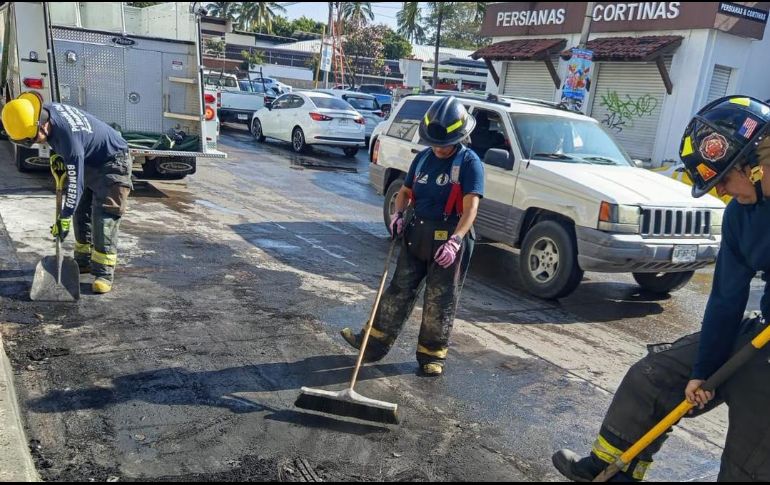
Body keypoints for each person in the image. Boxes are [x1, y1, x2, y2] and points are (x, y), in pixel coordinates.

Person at [552, 95, 770, 482]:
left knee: (748, 460)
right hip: (762, 328)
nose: (720, 194)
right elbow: (725, 299)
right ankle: (611, 470)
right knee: (652, 377)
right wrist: (702, 371)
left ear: (754, 164)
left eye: (723, 180)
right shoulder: (741, 215)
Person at [340, 96, 485, 376]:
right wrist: (397, 214)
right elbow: (406, 193)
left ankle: (432, 356)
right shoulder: (422, 159)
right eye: (435, 143)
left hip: (448, 239)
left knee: (439, 298)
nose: (439, 149)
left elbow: (471, 208)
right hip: (416, 232)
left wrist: (456, 241)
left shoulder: (469, 163)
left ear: (460, 136)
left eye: (444, 144)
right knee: (398, 289)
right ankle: (371, 345)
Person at [2, 92, 132, 294]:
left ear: (42, 125)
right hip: (91, 157)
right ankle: (83, 261)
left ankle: (104, 273)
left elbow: (75, 187)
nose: (33, 143)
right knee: (81, 211)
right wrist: (56, 154)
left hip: (114, 161)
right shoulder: (46, 113)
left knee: (103, 216)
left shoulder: (69, 140)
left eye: (32, 139)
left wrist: (63, 217)